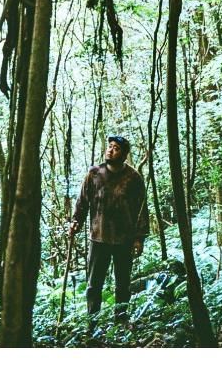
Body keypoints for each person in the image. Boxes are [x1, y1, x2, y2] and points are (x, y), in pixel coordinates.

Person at [69, 134, 149, 325]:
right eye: (110, 146)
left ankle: (121, 321)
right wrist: (75, 222)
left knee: (122, 285)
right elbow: (83, 202)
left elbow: (141, 209)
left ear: (124, 154)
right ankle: (92, 323)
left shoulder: (133, 178)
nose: (111, 150)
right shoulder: (94, 174)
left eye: (116, 148)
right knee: (94, 285)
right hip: (99, 238)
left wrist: (139, 238)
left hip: (124, 239)